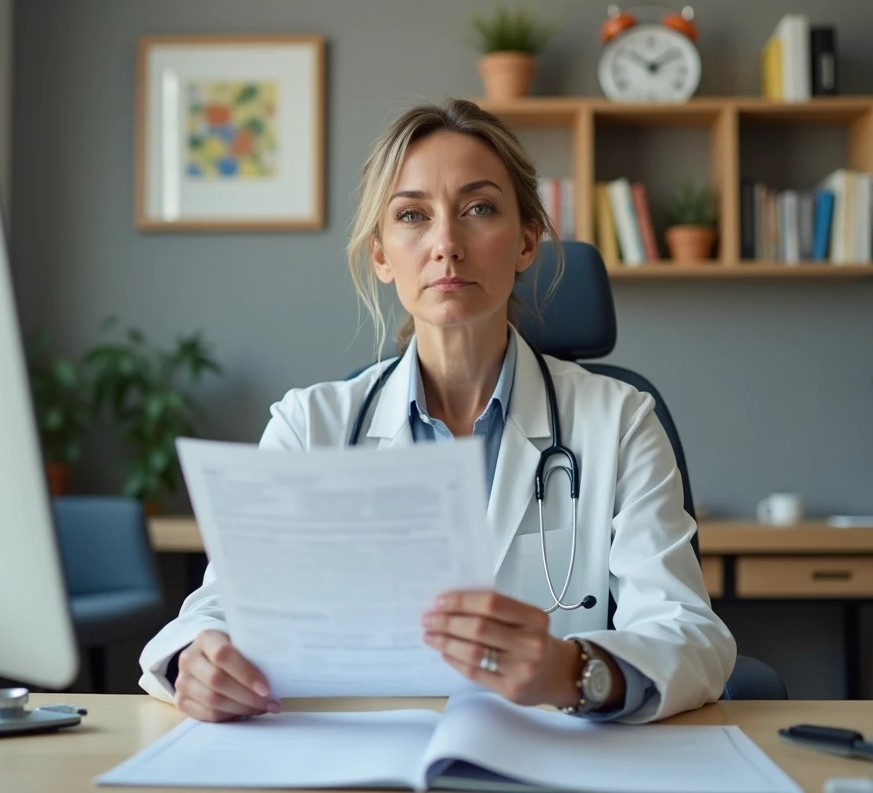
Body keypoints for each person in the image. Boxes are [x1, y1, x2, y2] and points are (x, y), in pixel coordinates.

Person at [138, 98, 735, 724]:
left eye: (479, 209)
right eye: (412, 216)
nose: (446, 244)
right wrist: (196, 663)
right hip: (363, 761)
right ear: (380, 255)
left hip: (551, 760)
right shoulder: (308, 426)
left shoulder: (620, 422)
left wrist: (573, 670)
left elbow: (689, 633)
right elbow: (217, 610)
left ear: (528, 241)